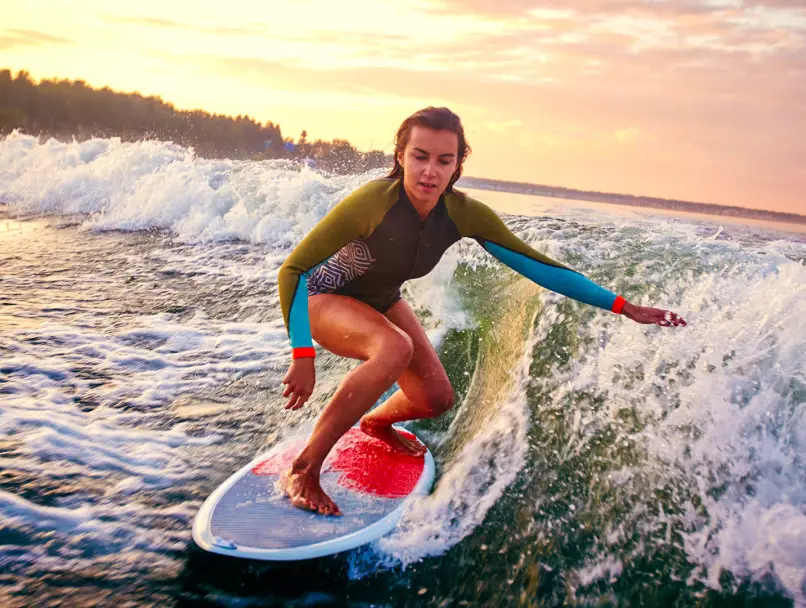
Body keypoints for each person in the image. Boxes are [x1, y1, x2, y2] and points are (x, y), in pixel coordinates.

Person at [277, 107, 686, 516]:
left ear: (457, 165)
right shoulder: (372, 203)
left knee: (435, 399)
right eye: (420, 156)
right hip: (321, 298)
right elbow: (293, 270)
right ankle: (305, 468)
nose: (430, 171)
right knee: (395, 347)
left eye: (444, 160)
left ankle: (376, 423)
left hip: (381, 300)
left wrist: (623, 306)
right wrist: (302, 354)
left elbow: (539, 266)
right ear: (400, 155)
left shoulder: (462, 214)